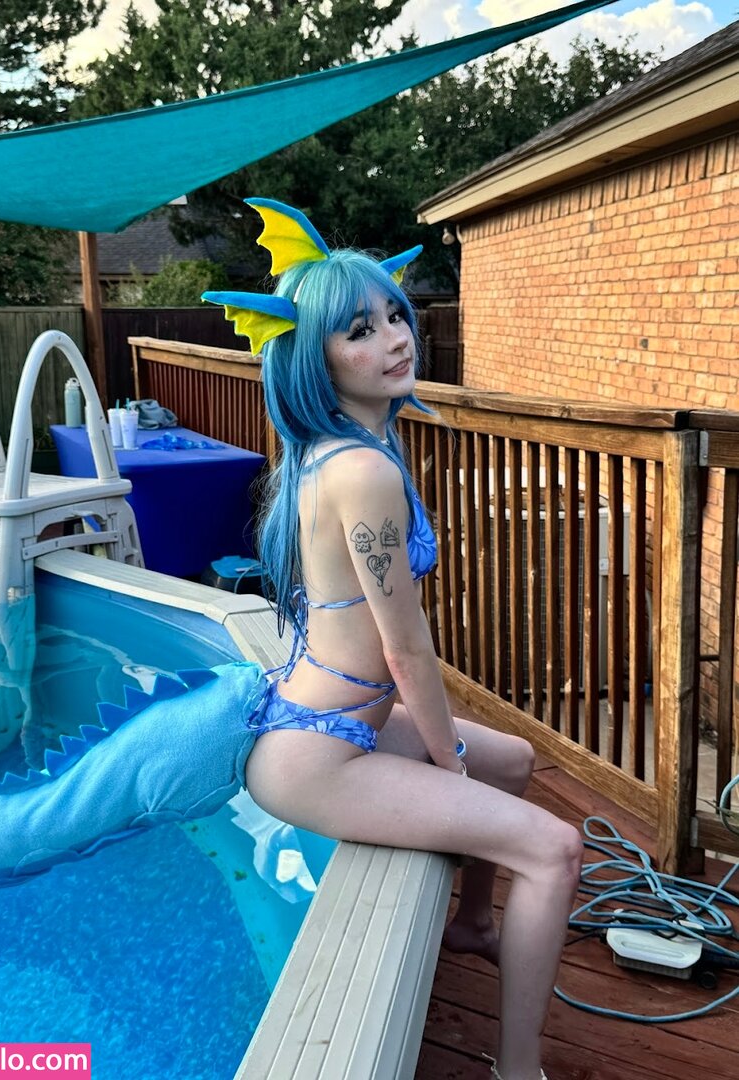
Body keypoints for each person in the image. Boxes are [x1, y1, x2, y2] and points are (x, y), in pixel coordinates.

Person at [203, 198, 583, 1080]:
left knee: (517, 761)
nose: (396, 338)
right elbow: (406, 652)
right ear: (315, 359)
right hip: (319, 755)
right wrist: (447, 759)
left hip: (331, 722)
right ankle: (518, 1069)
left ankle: (474, 924)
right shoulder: (364, 468)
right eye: (360, 331)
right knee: (554, 848)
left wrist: (461, 757)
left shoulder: (332, 449)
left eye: (395, 315)